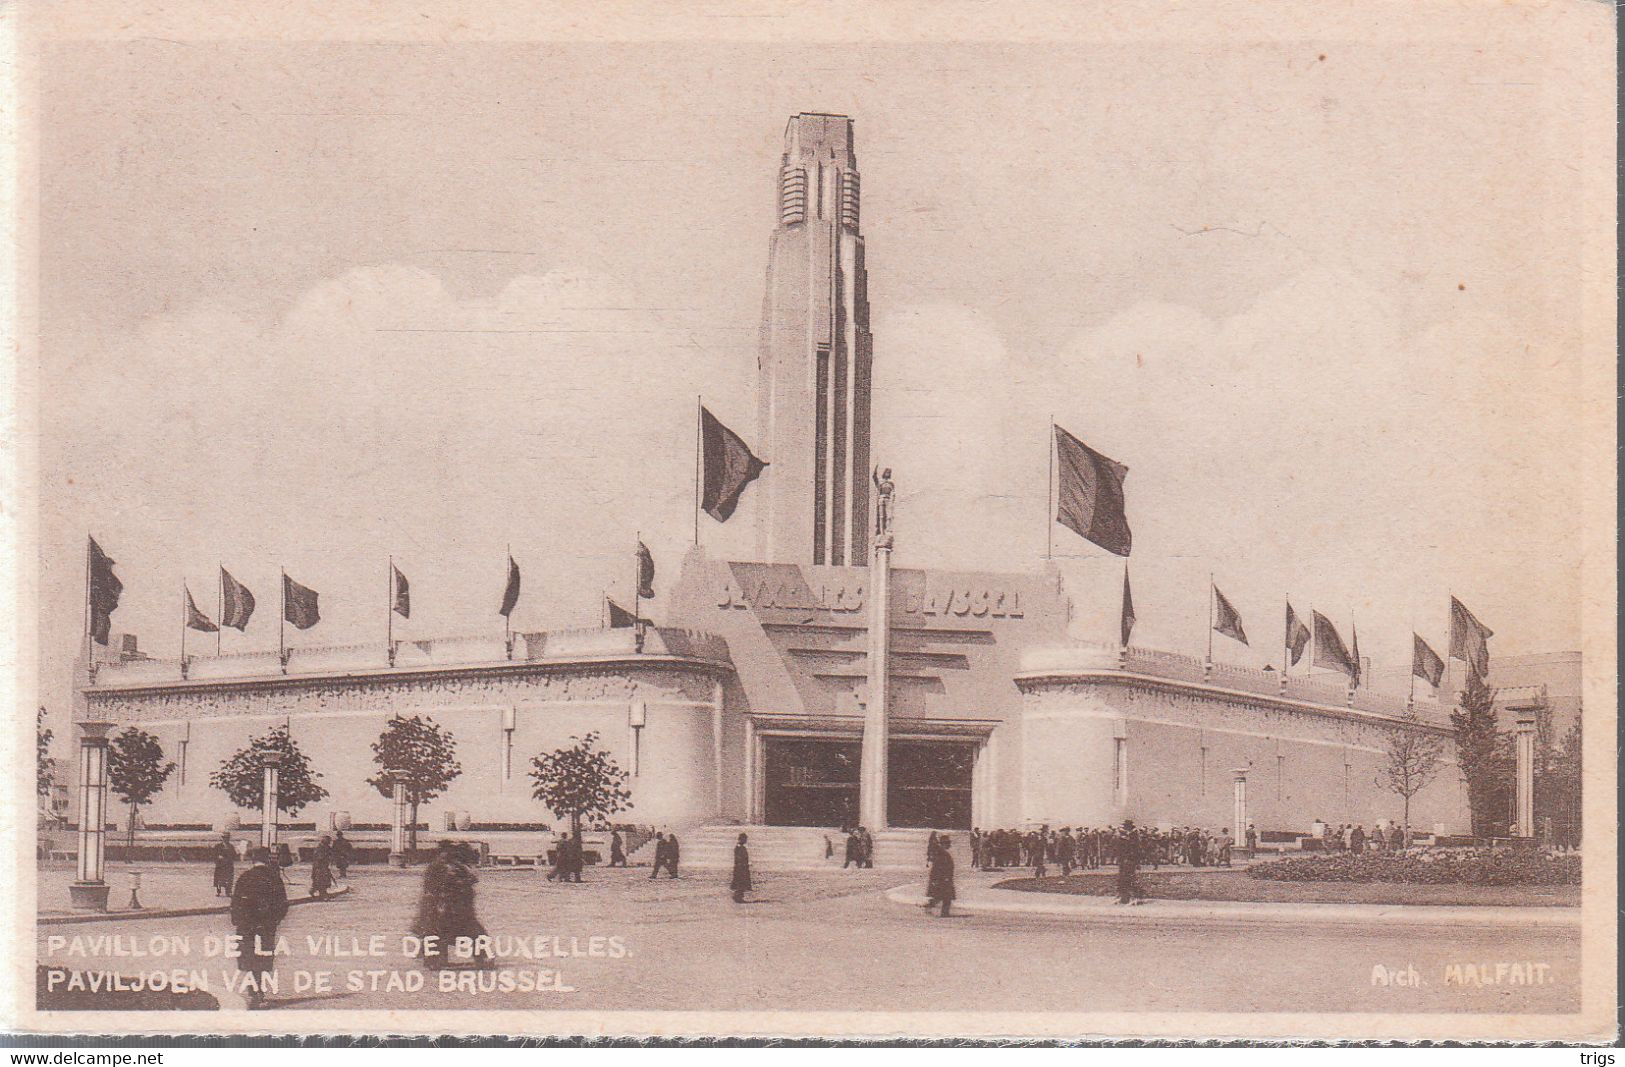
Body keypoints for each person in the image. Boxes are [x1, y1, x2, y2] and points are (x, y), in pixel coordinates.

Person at [230, 847, 289, 1010]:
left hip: (246, 926)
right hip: (266, 927)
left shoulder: (245, 877)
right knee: (263, 958)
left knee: (249, 957)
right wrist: (274, 921)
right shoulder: (274, 878)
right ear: (267, 859)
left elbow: (236, 903)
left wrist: (238, 921)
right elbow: (283, 904)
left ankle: (253, 991)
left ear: (253, 859)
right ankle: (259, 991)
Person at [441, 843, 494, 970]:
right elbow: (466, 881)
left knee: (448, 934)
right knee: (476, 935)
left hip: (458, 909)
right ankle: (482, 960)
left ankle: (437, 960)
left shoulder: (456, 867)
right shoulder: (455, 869)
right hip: (458, 909)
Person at [415, 841, 456, 968]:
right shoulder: (437, 867)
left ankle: (437, 959)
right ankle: (432, 960)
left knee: (438, 932)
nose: (447, 856)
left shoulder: (441, 866)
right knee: (434, 931)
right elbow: (432, 887)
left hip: (437, 904)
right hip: (434, 904)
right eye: (446, 853)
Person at [925, 835, 956, 917]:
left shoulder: (942, 852)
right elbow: (938, 867)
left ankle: (934, 908)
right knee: (945, 897)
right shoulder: (942, 853)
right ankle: (943, 912)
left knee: (941, 896)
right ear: (944, 844)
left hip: (944, 878)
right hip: (943, 879)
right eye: (948, 843)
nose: (949, 845)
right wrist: (944, 878)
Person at [1115, 820, 1142, 905]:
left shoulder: (1134, 837)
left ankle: (1133, 898)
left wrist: (1136, 862)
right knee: (1122, 879)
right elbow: (1118, 849)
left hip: (1130, 860)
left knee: (1130, 879)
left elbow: (1136, 850)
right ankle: (1123, 898)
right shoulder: (1122, 837)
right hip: (1123, 861)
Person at [211, 833, 236, 897]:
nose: (226, 839)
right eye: (224, 838)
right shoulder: (218, 846)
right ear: (222, 838)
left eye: (227, 838)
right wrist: (218, 859)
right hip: (220, 865)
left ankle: (228, 892)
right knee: (219, 879)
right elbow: (214, 855)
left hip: (228, 865)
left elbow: (234, 855)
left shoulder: (231, 846)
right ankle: (218, 891)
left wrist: (229, 859)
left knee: (229, 879)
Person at [310, 835, 334, 900]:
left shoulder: (328, 848)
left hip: (325, 866)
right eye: (328, 841)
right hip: (319, 867)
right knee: (320, 880)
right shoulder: (319, 848)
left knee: (324, 880)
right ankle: (322, 895)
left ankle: (315, 891)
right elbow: (319, 858)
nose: (329, 842)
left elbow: (331, 855)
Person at [731, 833, 752, 904]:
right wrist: (744, 864)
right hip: (740, 868)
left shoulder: (740, 847)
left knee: (741, 882)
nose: (746, 840)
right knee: (740, 882)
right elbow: (739, 859)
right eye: (745, 839)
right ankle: (737, 897)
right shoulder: (739, 848)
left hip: (742, 867)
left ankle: (739, 896)